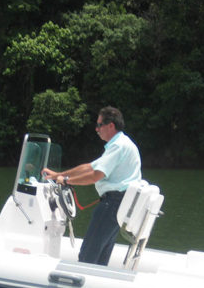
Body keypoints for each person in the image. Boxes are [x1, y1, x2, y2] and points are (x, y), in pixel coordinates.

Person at [42, 106, 142, 265]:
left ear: (111, 125)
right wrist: (58, 175)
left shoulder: (118, 146)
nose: (96, 129)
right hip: (120, 205)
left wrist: (66, 181)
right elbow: (89, 167)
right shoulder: (121, 144)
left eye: (99, 125)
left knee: (88, 255)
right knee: (101, 255)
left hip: (112, 204)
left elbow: (96, 176)